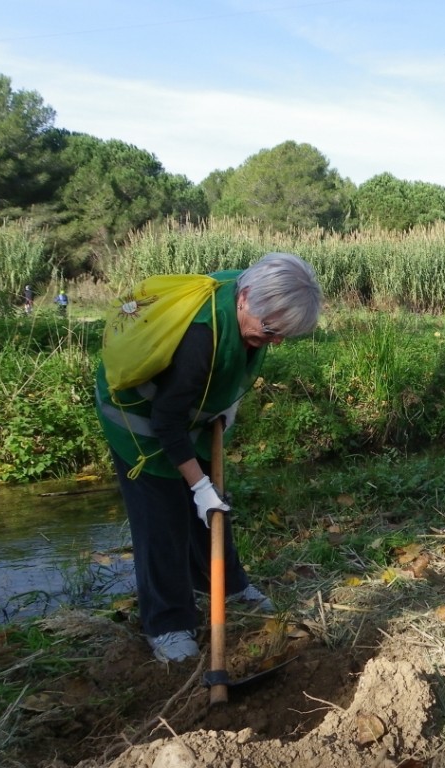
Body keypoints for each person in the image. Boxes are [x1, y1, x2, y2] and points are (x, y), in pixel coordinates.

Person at [95, 252, 322, 662]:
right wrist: (197, 485)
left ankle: (225, 584)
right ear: (245, 298)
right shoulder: (198, 337)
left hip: (188, 417)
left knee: (212, 508)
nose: (276, 341)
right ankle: (167, 624)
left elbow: (235, 356)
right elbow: (166, 422)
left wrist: (223, 410)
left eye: (283, 335)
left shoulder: (249, 294)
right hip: (141, 426)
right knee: (163, 520)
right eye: (271, 330)